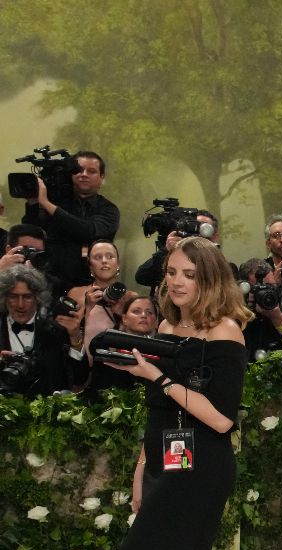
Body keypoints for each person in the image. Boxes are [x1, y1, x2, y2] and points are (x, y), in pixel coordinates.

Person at [74, 237, 252, 550]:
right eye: (171, 272)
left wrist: (158, 376)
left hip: (201, 472)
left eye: (188, 274)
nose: (175, 282)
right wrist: (141, 469)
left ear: (209, 280)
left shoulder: (226, 332)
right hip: (165, 463)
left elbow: (220, 418)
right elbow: (158, 413)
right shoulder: (170, 328)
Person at [21, 150, 120, 295]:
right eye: (78, 170)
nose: (84, 174)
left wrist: (47, 204)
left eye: (91, 171)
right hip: (49, 283)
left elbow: (88, 231)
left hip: (91, 288)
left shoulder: (109, 209)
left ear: (102, 177)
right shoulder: (56, 202)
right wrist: (33, 203)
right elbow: (32, 232)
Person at [0, 266, 86, 396]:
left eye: (27, 297)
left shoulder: (57, 330)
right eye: (13, 296)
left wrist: (76, 340)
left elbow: (80, 378)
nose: (20, 304)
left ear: (38, 298)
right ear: (4, 298)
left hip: (47, 412)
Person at [83, 291, 158, 393]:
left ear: (156, 321)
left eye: (149, 312)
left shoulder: (162, 350)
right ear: (124, 318)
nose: (144, 315)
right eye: (136, 311)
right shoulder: (105, 341)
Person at [135, 210, 222, 289]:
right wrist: (167, 251)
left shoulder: (221, 267)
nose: (196, 232)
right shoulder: (175, 260)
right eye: (192, 226)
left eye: (203, 228)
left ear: (215, 237)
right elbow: (142, 277)